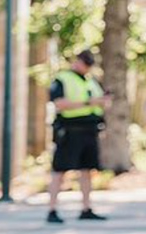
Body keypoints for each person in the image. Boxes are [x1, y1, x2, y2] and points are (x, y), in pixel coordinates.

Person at [46, 49, 112, 224]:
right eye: (84, 62)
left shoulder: (92, 81)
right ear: (77, 61)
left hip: (90, 131)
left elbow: (101, 103)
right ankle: (52, 210)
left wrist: (103, 102)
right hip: (69, 131)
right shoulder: (62, 79)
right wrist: (88, 103)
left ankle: (86, 208)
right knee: (59, 171)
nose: (86, 67)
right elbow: (59, 103)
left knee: (87, 171)